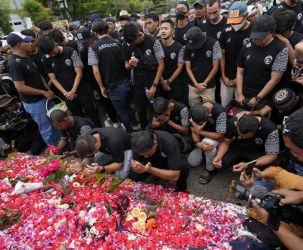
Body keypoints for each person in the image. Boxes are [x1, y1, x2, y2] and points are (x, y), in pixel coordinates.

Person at [6, 31, 60, 146]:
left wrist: (48, 89)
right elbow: (20, 87)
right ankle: (56, 154)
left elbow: (38, 75)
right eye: (27, 42)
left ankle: (62, 145)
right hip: (35, 103)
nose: (31, 43)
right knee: (47, 128)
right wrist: (43, 92)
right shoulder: (14, 63)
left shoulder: (27, 57)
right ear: (20, 44)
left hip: (45, 97)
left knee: (56, 123)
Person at [39, 35, 100, 126]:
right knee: (77, 116)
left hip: (80, 88)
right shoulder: (46, 58)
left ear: (55, 44)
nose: (52, 54)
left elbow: (79, 73)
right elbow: (53, 78)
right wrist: (65, 93)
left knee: (90, 111)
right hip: (66, 92)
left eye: (53, 51)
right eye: (49, 53)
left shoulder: (70, 51)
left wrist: (73, 90)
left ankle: (99, 128)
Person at [89, 20, 134, 132]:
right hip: (127, 80)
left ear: (95, 32)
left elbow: (95, 71)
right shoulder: (118, 42)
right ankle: (136, 126)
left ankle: (130, 133)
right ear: (107, 29)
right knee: (129, 107)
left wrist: (101, 87)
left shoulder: (93, 47)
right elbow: (126, 62)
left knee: (122, 111)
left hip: (113, 85)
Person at [236, 15, 288, 110]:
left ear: (271, 32)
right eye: (255, 37)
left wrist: (258, 98)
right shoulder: (248, 45)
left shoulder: (280, 49)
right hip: (244, 93)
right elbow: (240, 71)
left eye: (260, 38)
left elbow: (275, 79)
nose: (256, 40)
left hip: (264, 97)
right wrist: (239, 94)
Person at [122, 23, 165, 129]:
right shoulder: (128, 44)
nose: (133, 44)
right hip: (138, 82)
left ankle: (158, 131)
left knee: (155, 109)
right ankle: (144, 131)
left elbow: (161, 65)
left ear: (139, 34)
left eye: (134, 41)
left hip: (152, 80)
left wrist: (154, 85)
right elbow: (126, 65)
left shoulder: (154, 42)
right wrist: (131, 64)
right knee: (140, 110)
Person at [213, 115, 280, 172]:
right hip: (238, 146)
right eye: (240, 135)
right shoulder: (233, 122)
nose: (243, 138)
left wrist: (248, 164)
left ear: (255, 131)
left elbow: (272, 155)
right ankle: (239, 163)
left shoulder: (270, 130)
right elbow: (226, 141)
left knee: (266, 169)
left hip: (257, 151)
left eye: (246, 137)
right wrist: (219, 156)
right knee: (224, 160)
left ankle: (246, 165)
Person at [220, 1, 252, 107]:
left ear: (246, 16)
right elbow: (222, 55)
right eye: (232, 21)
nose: (234, 24)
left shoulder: (254, 31)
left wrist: (239, 79)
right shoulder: (226, 32)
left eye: (237, 21)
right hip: (227, 79)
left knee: (241, 109)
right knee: (225, 107)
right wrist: (224, 76)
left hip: (246, 80)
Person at [188, 102, 226, 184]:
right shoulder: (193, 111)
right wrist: (197, 143)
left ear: (209, 117)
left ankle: (210, 169)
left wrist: (200, 131)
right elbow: (193, 130)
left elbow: (220, 136)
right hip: (201, 137)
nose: (198, 125)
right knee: (192, 162)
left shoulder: (220, 113)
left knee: (207, 145)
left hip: (215, 137)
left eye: (201, 124)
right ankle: (204, 151)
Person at [184, 27, 222, 106]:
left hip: (208, 85)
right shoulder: (188, 45)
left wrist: (204, 84)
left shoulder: (214, 43)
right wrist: (196, 84)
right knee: (194, 110)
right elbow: (188, 67)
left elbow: (215, 68)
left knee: (209, 111)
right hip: (193, 84)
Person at [159, 19, 186, 102]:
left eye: (166, 29)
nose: (163, 31)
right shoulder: (156, 45)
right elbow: (155, 65)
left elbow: (180, 67)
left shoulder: (180, 47)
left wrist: (169, 81)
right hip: (160, 81)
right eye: (161, 28)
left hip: (175, 82)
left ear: (173, 31)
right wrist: (162, 81)